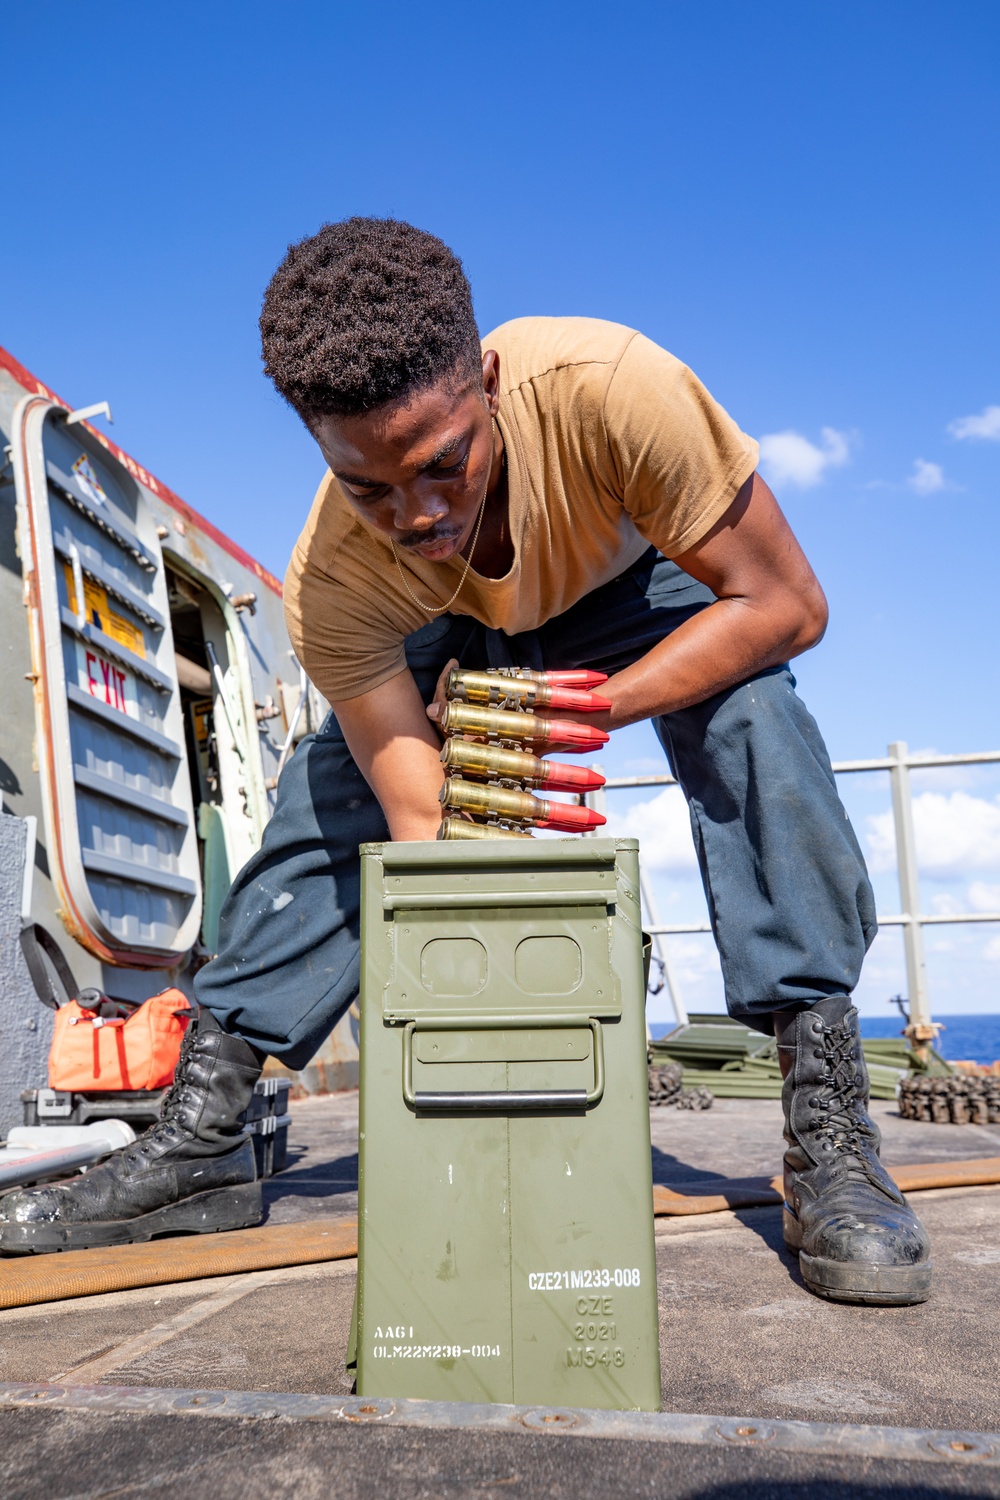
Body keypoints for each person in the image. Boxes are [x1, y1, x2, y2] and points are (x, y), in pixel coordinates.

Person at [0, 219, 930, 1306]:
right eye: (371, 489)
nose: (419, 513)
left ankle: (826, 1127)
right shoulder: (338, 582)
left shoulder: (613, 390)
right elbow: (424, 832)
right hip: (438, 634)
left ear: (486, 380)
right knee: (329, 787)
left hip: (626, 600)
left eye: (443, 463)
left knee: (752, 714)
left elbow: (784, 603)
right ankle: (203, 1132)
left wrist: (580, 711)